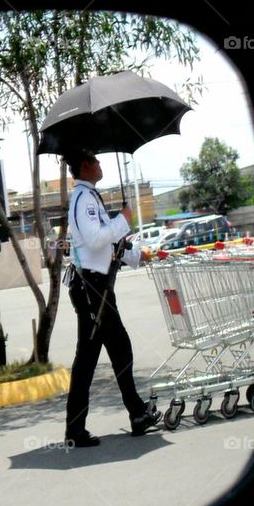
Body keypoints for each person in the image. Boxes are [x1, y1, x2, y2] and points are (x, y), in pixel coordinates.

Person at [63, 149, 160, 447]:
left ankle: (78, 429)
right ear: (85, 165)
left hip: (96, 287)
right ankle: (136, 413)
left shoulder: (89, 198)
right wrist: (123, 219)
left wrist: (136, 255)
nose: (101, 164)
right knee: (119, 348)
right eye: (96, 159)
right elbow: (95, 239)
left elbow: (108, 245)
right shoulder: (83, 200)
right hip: (92, 290)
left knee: (90, 358)